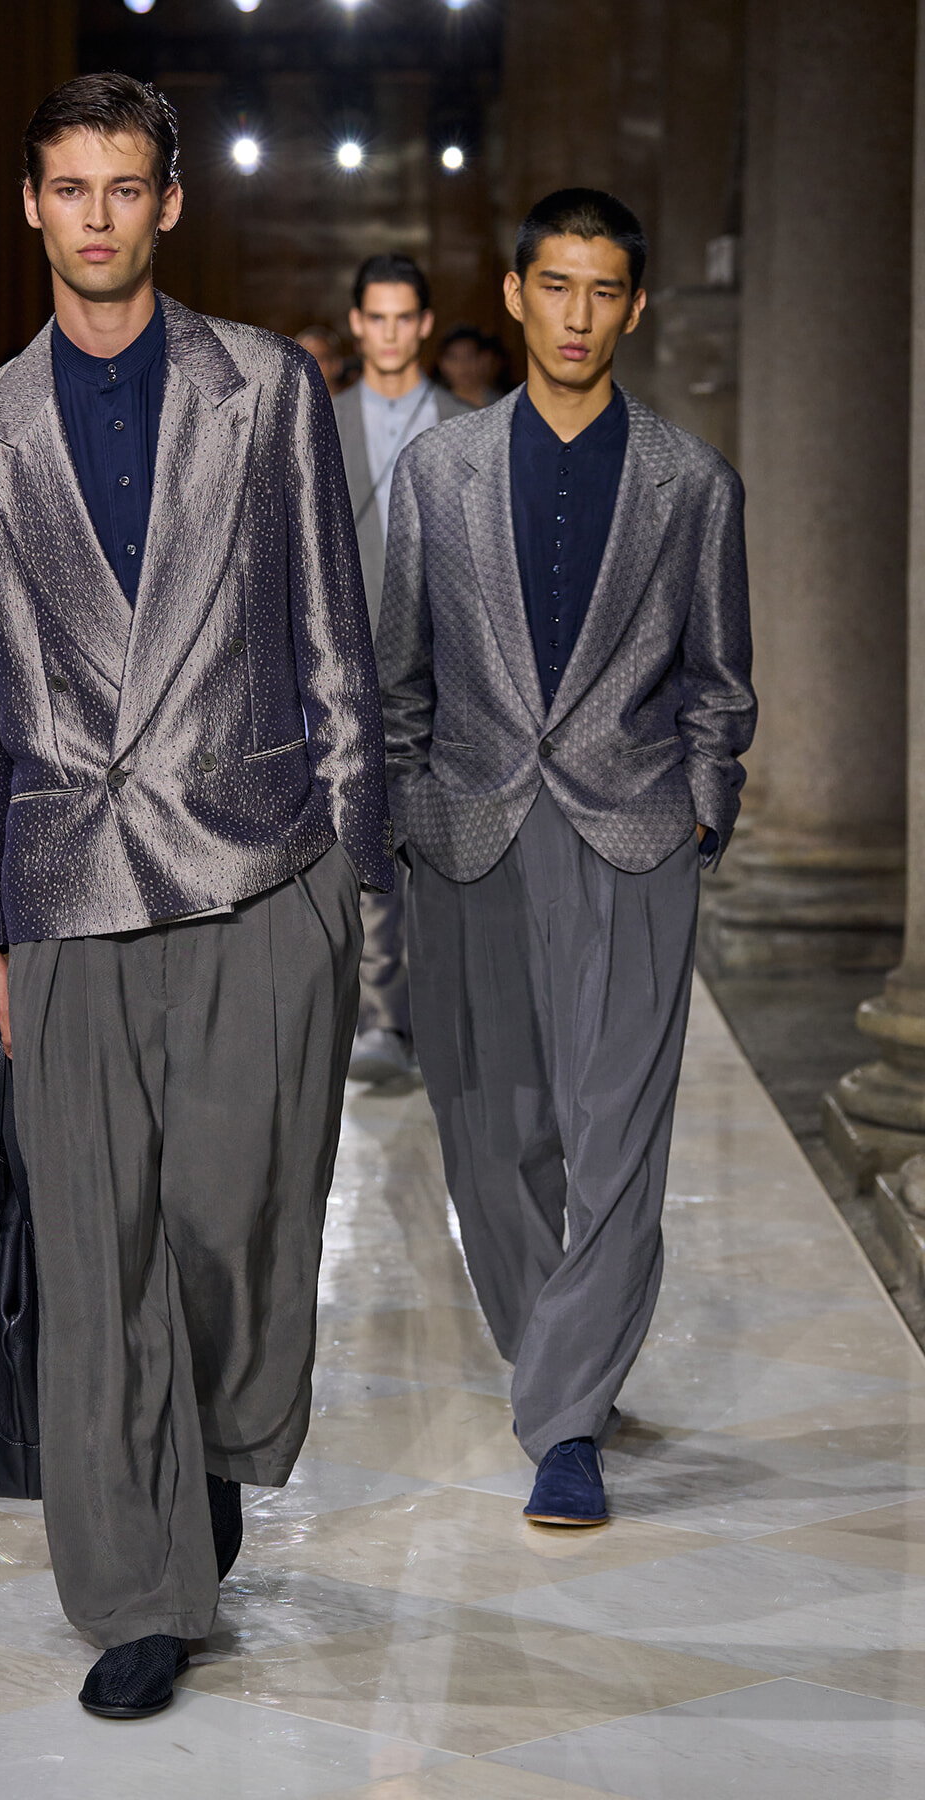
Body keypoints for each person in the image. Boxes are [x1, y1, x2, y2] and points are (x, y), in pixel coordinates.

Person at [0, 71, 392, 1719]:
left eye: (128, 187)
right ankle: (131, 1588)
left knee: (227, 1221)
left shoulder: (264, 391)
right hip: (64, 884)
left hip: (261, 863)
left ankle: (197, 1447)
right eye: (72, 189)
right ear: (38, 207)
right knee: (98, 1229)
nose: (100, 215)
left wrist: (355, 879)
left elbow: (337, 638)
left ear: (169, 202)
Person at [376, 188, 756, 1527]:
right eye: (557, 286)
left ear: (634, 306)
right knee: (491, 1136)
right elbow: (399, 671)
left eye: (606, 290)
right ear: (518, 290)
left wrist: (705, 803)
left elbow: (721, 679)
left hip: (634, 832)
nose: (580, 314)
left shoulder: (693, 484)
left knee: (617, 1138)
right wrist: (406, 815)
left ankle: (566, 1421)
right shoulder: (437, 473)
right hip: (469, 833)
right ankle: (563, 1356)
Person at [334, 254, 469, 1084]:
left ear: (424, 323)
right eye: (374, 317)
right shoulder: (322, 419)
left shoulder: (466, 422)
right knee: (372, 840)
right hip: (350, 665)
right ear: (358, 322)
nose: (388, 333)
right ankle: (384, 1017)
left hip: (452, 665)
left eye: (403, 318)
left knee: (452, 844)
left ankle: (445, 1014)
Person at [436, 323, 497, 408]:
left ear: (484, 359)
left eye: (470, 356)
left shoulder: (499, 404)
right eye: (455, 358)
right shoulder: (435, 408)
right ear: (443, 364)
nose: (463, 365)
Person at [294, 325, 346, 398]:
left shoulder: (357, 405)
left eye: (319, 359)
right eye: (302, 360)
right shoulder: (285, 406)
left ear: (336, 364)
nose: (309, 367)